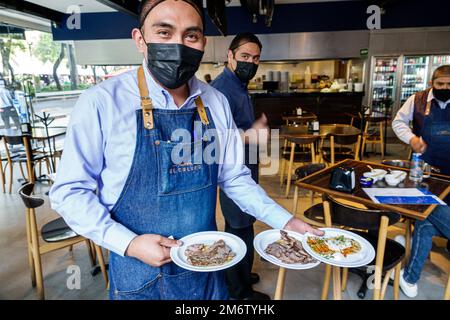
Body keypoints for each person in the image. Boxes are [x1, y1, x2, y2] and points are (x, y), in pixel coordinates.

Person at [49, 0, 322, 301]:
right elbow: (70, 192)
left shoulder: (215, 102)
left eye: (190, 36)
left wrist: (286, 220)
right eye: (164, 33)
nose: (178, 45)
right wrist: (129, 243)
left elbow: (235, 179)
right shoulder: (102, 103)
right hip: (139, 275)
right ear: (140, 40)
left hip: (208, 269)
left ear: (203, 43)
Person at [211, 33, 270, 300]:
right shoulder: (223, 88)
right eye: (245, 56)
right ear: (230, 55)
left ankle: (242, 274)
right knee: (238, 229)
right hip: (234, 174)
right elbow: (216, 138)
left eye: (255, 58)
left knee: (244, 224)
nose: (251, 62)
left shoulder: (239, 83)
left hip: (247, 169)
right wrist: (252, 134)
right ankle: (239, 292)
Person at [392, 65, 450, 298]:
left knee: (427, 221)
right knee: (427, 211)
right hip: (424, 172)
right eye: (441, 85)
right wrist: (413, 138)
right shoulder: (418, 100)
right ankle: (410, 254)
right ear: (432, 83)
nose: (446, 88)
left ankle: (409, 257)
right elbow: (398, 123)